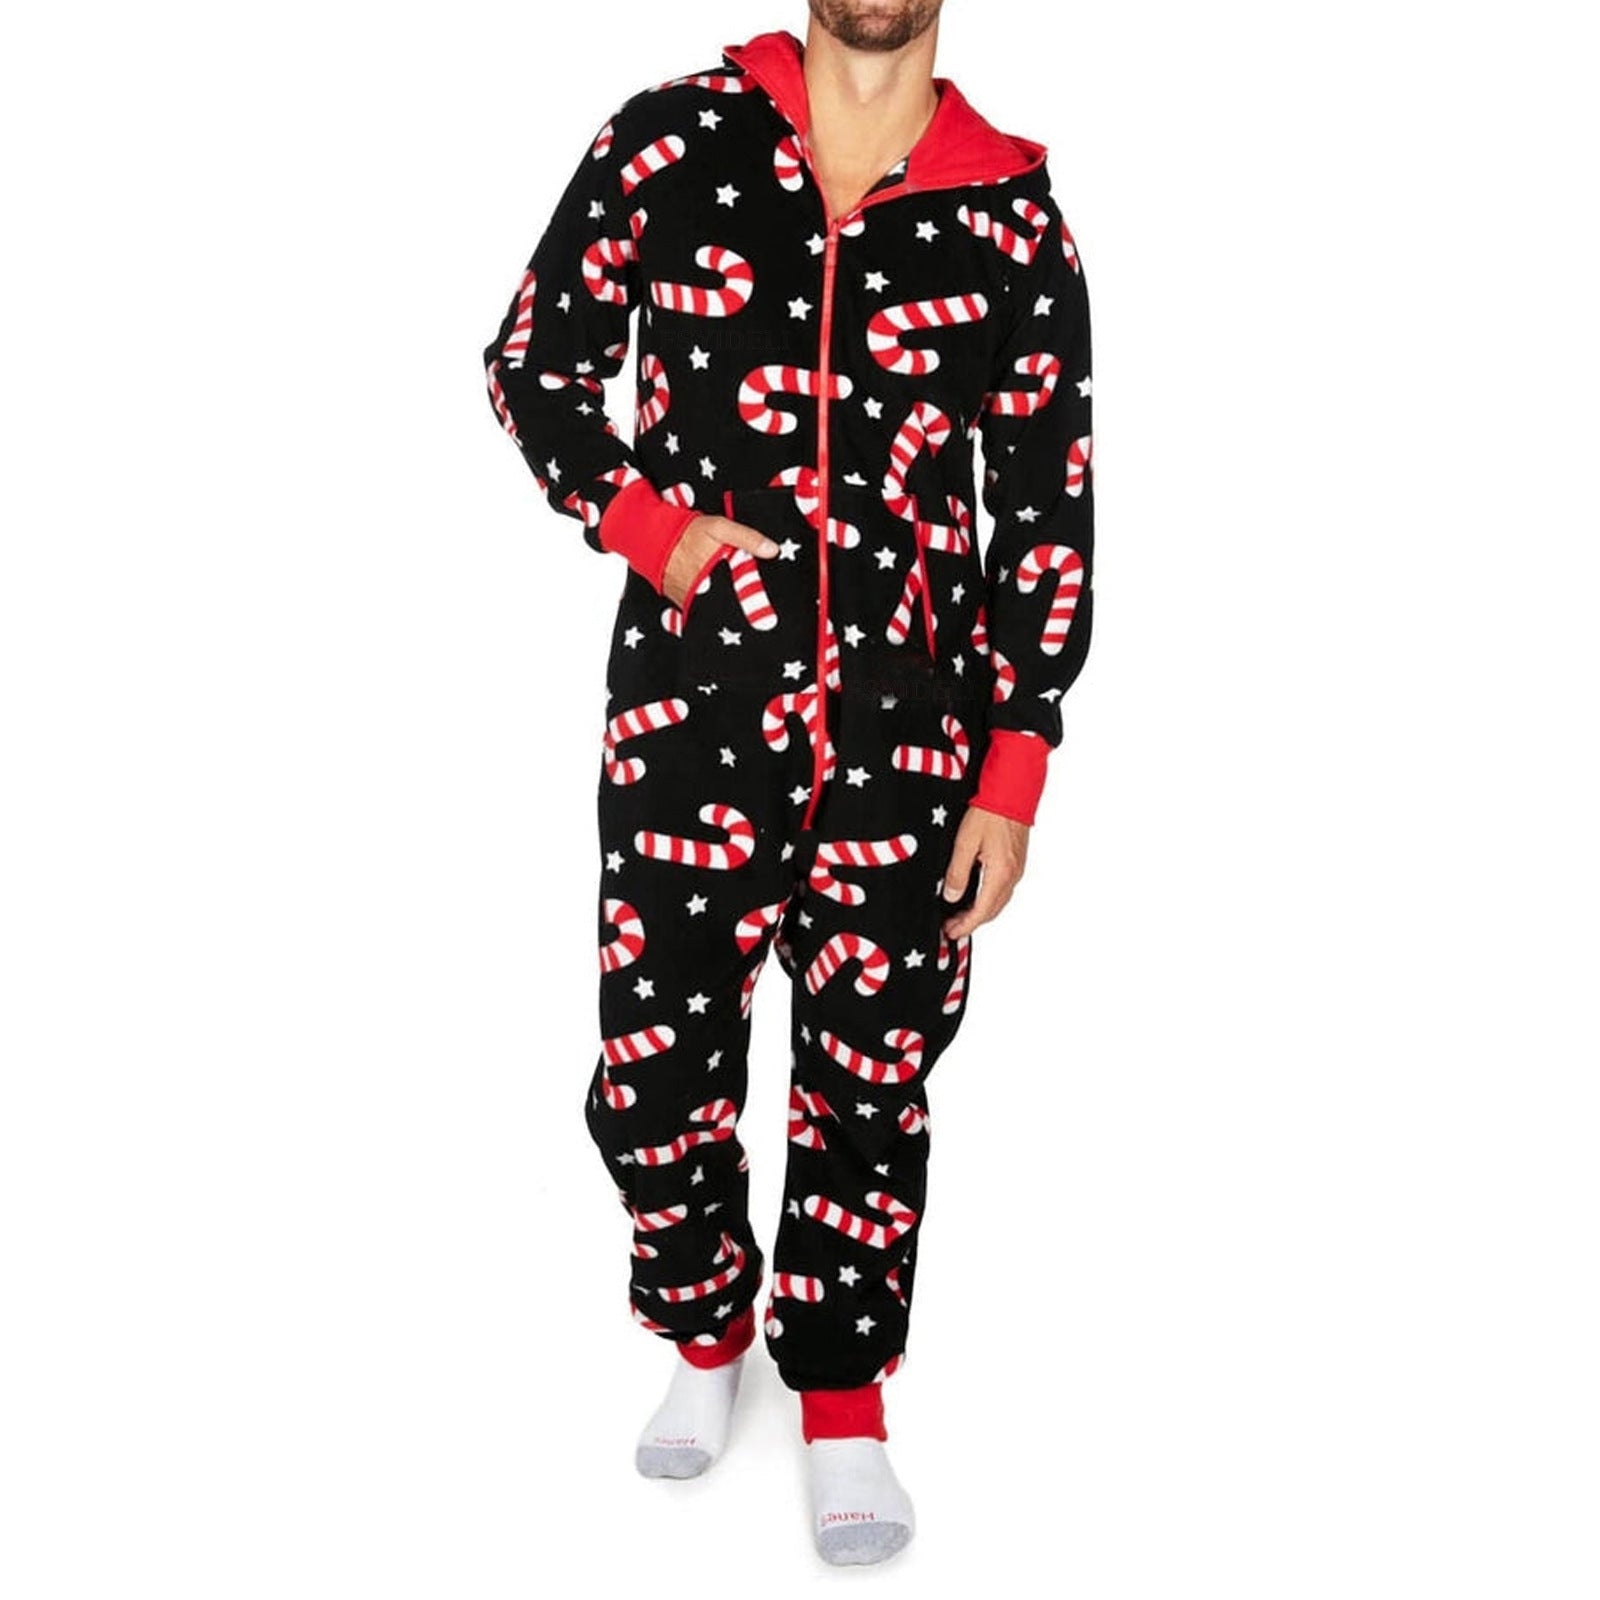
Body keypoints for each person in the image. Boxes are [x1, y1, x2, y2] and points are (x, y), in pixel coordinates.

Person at [482, 3, 1093, 1567]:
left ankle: (839, 1393)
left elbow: (1043, 509)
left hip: (913, 742)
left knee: (873, 1078)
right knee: (655, 1076)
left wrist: (1015, 764)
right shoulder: (671, 140)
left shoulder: (1011, 214)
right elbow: (533, 367)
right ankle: (702, 1324)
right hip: (690, 717)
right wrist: (659, 534)